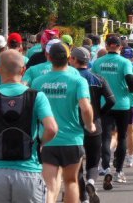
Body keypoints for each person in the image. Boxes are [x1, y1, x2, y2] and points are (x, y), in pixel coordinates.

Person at [0, 50, 58, 203]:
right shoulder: (37, 96)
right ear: (23, 70)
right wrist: (40, 143)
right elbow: (52, 128)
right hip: (29, 171)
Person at [31, 43, 95, 203]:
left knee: (49, 186)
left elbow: (32, 111)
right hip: (72, 139)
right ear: (68, 58)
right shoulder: (78, 81)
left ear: (49, 58)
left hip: (47, 139)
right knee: (71, 182)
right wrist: (89, 125)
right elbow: (85, 108)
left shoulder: (38, 82)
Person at [68, 47, 116, 198]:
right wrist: (99, 113)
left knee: (77, 165)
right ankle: (91, 182)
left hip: (74, 126)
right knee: (93, 161)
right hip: (95, 125)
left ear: (74, 60)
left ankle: (84, 197)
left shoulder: (70, 79)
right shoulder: (98, 78)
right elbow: (111, 100)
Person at [92, 35, 133, 184]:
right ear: (120, 47)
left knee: (105, 136)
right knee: (122, 136)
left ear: (106, 45)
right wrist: (129, 91)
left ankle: (105, 167)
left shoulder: (98, 62)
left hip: (105, 104)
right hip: (122, 103)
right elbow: (130, 78)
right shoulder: (124, 62)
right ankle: (119, 171)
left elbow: (93, 81)